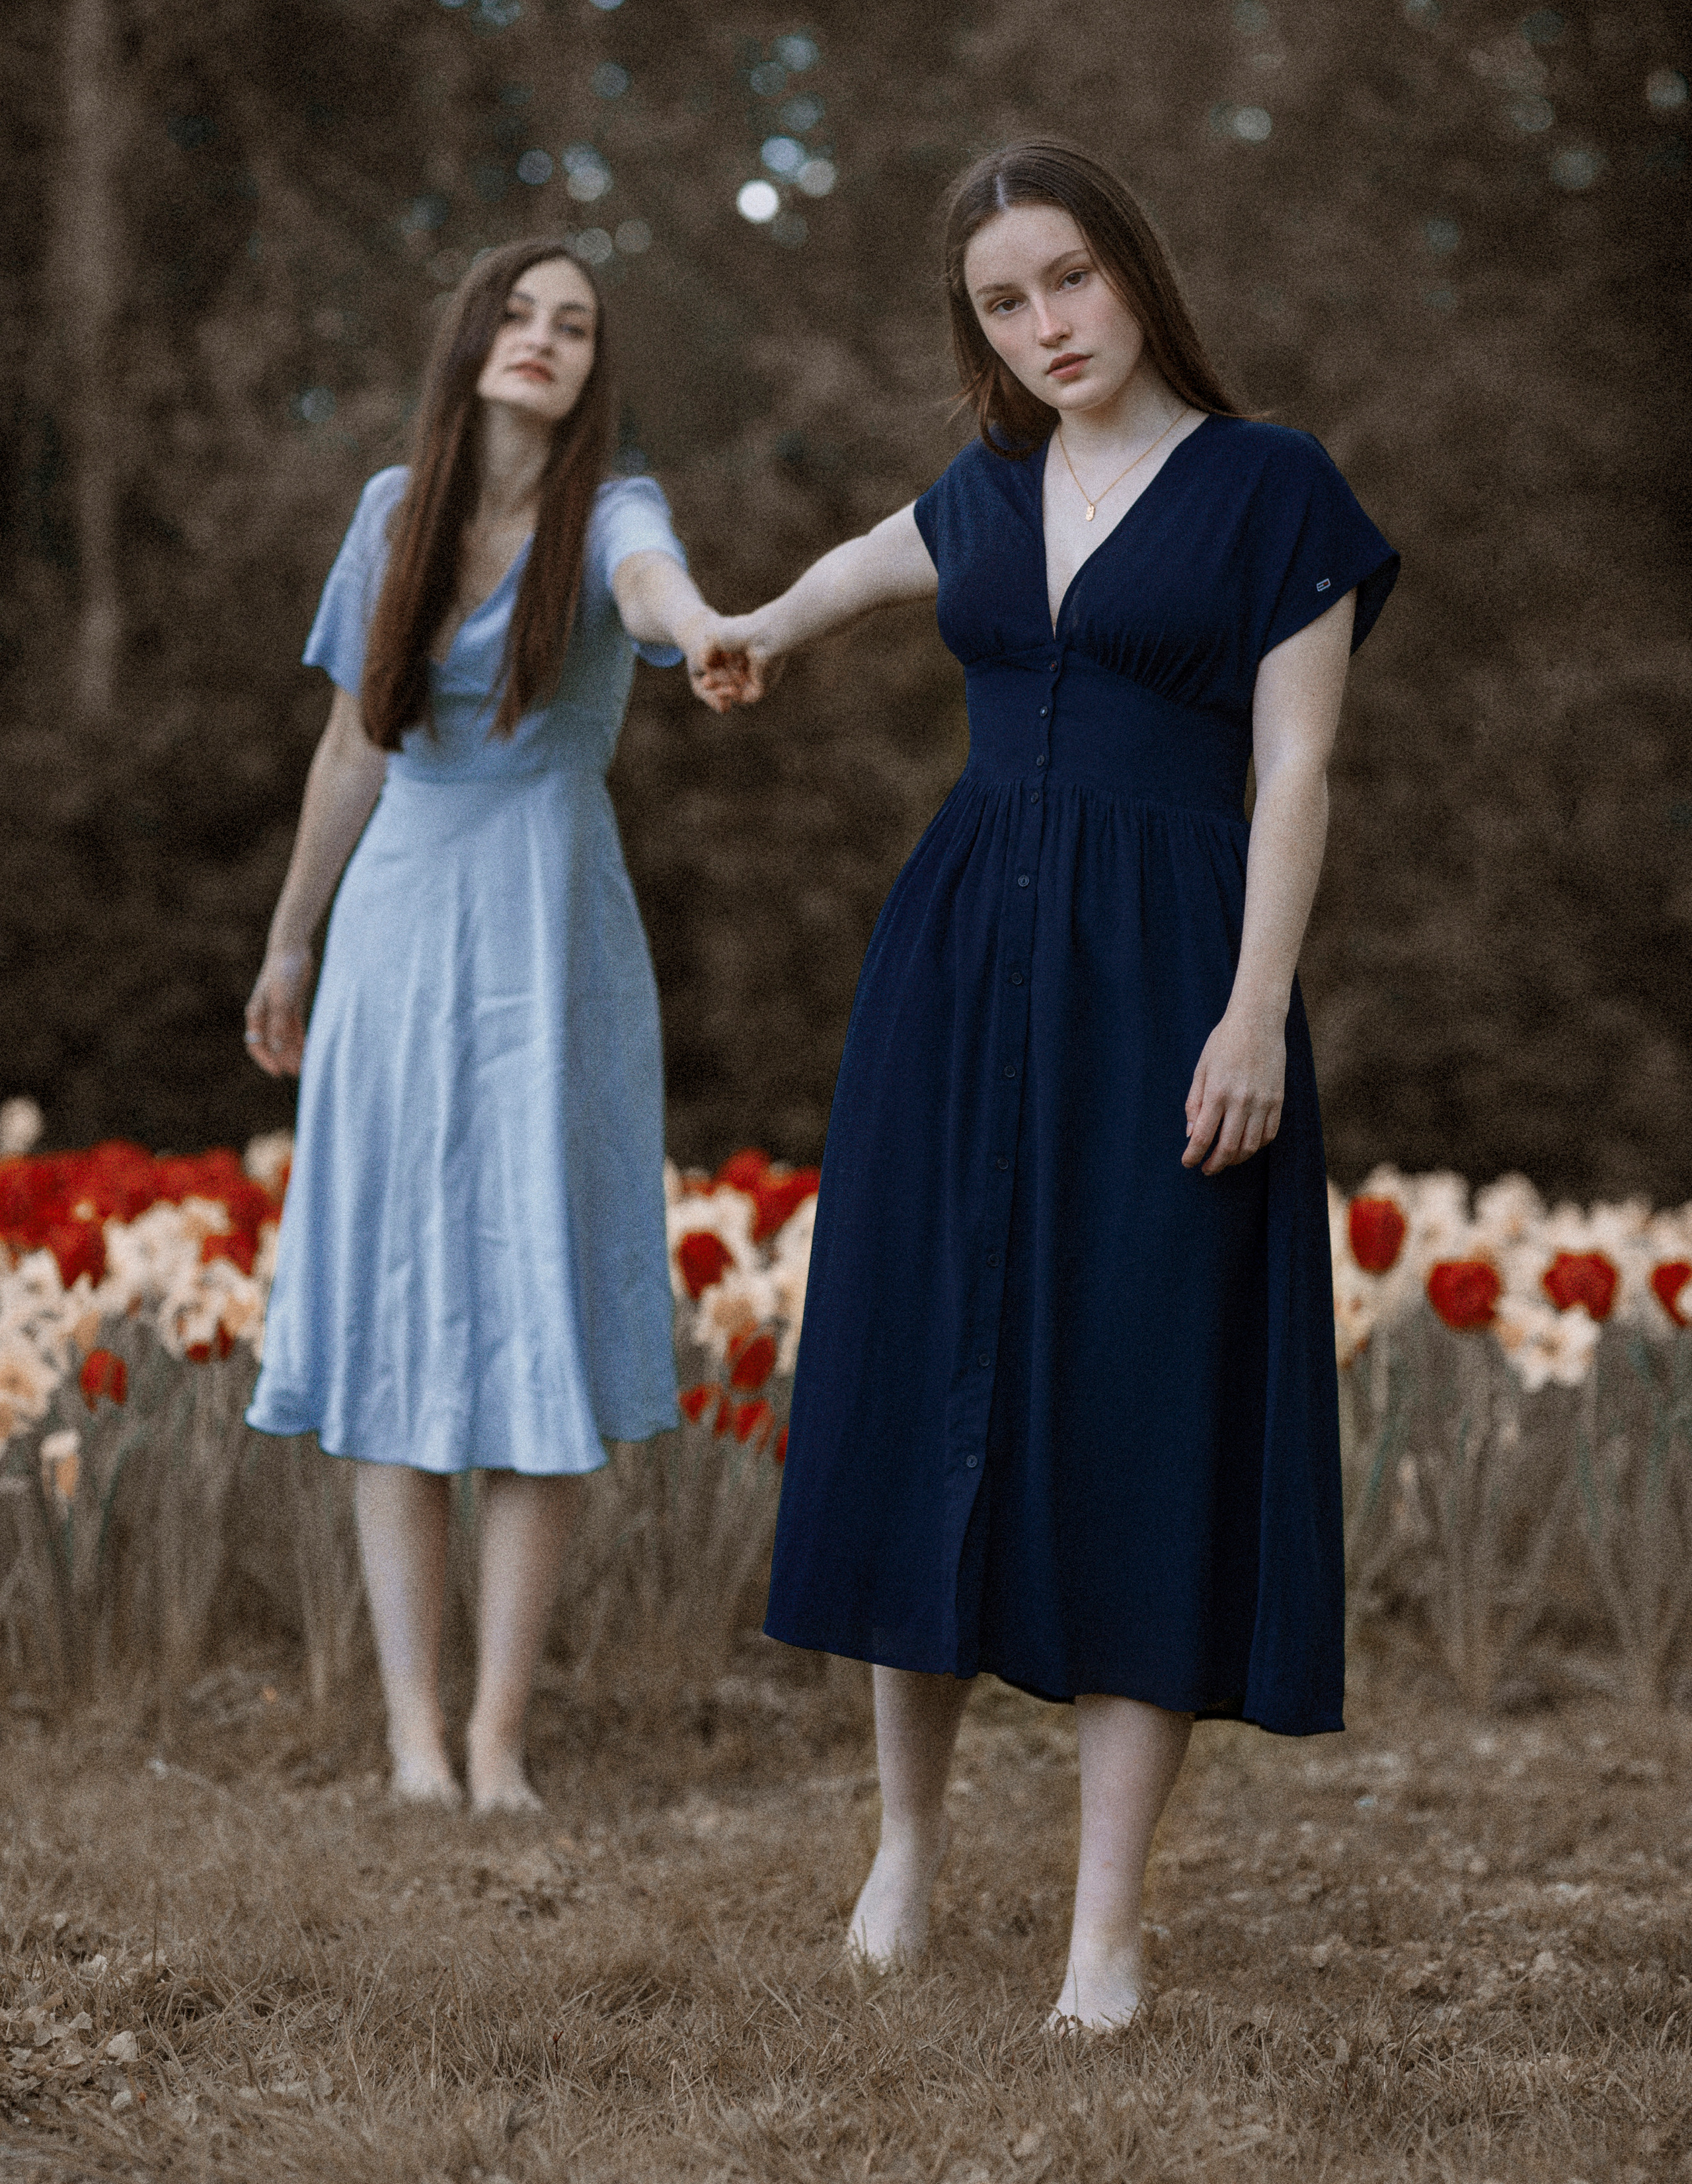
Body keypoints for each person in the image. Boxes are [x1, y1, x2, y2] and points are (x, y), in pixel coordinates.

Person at [705, 139, 1399, 2027]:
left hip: (1170, 977)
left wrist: (1252, 1009)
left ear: (1135, 274)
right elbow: (859, 568)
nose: (1045, 325)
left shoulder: (1272, 487)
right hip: (956, 972)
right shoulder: (990, 484)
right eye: (1003, 303)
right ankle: (904, 1852)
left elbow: (1296, 770)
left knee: (1140, 1402)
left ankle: (1105, 1928)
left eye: (1069, 279)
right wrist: (752, 628)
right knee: (919, 1368)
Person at [245, 239, 737, 1813]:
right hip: (394, 925)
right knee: (391, 1314)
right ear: (470, 341)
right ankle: (412, 1739)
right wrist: (290, 941)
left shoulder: (614, 515)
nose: (542, 338)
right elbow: (352, 745)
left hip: (547, 930)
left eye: (572, 325)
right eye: (518, 314)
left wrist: (706, 628)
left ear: (594, 368)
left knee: (539, 1295)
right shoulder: (393, 512)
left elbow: (657, 591)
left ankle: (497, 1741)